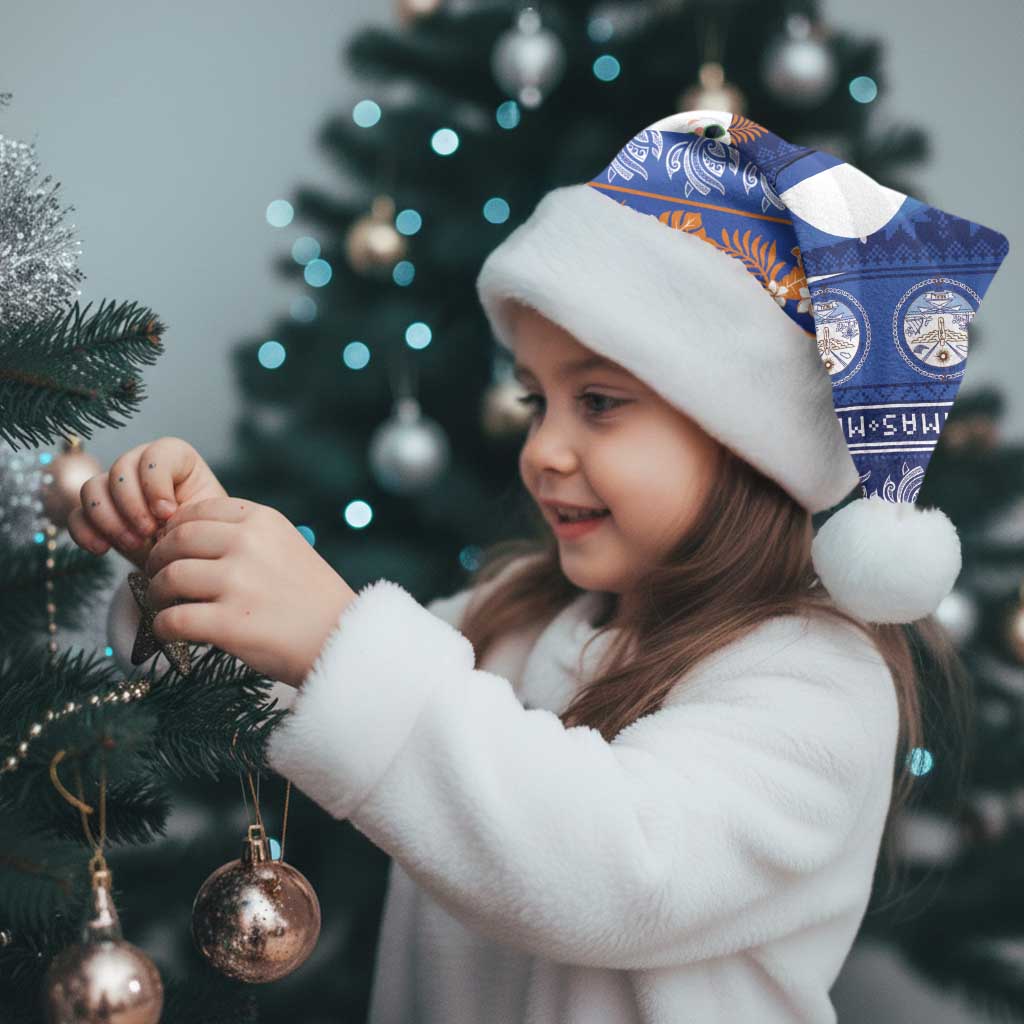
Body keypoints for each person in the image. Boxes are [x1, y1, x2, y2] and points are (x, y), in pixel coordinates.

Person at [72, 109, 1009, 1023]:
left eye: (598, 402)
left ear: (747, 440)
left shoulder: (818, 683)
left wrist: (335, 637)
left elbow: (615, 870)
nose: (543, 450)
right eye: (535, 402)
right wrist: (190, 565)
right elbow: (304, 693)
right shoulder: (514, 617)